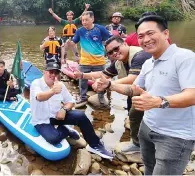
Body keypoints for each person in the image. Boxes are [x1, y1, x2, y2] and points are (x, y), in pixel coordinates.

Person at [94, 15, 195, 175]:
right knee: (148, 168)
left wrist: (159, 102)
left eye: (150, 33)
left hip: (175, 136)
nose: (146, 39)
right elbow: (134, 88)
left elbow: (192, 94)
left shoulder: (184, 58)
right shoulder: (149, 63)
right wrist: (110, 84)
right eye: (141, 36)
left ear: (166, 34)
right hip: (147, 127)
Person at [73, 36, 151, 152]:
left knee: (142, 116)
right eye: (110, 52)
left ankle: (143, 145)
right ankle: (139, 143)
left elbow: (133, 78)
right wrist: (83, 76)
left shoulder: (139, 56)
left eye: (116, 49)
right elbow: (103, 74)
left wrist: (108, 84)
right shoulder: (118, 62)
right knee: (133, 114)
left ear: (124, 44)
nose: (114, 53)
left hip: (153, 93)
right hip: (137, 92)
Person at [30, 62, 114, 160]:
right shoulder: (36, 83)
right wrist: (53, 91)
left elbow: (70, 101)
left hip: (57, 116)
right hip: (41, 121)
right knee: (54, 139)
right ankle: (66, 130)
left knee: (81, 116)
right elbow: (39, 97)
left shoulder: (60, 85)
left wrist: (64, 109)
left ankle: (94, 144)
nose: (53, 75)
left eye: (56, 73)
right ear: (44, 72)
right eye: (51, 72)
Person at [72, 11, 111, 106]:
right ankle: (83, 98)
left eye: (86, 20)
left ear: (92, 19)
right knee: (82, 80)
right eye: (83, 20)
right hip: (85, 61)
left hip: (99, 61)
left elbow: (110, 40)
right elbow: (73, 43)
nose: (84, 22)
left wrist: (109, 52)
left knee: (101, 79)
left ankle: (101, 96)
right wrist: (76, 55)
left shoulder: (100, 29)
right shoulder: (80, 31)